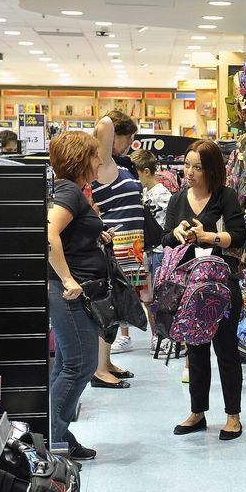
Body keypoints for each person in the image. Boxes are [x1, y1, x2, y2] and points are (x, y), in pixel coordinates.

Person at [162, 139, 246, 440]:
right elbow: (165, 240)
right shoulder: (177, 200)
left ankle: (233, 415)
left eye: (197, 167)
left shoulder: (226, 197)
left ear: (211, 170)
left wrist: (207, 236)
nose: (190, 172)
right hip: (189, 287)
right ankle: (197, 412)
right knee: (195, 350)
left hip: (221, 286)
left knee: (226, 350)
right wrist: (176, 232)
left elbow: (239, 236)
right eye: (187, 165)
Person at [46, 130, 109, 462]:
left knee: (70, 364)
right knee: (80, 363)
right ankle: (52, 437)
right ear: (82, 158)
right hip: (68, 292)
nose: (100, 159)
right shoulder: (69, 191)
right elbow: (49, 233)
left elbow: (68, 234)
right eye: (96, 154)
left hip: (69, 291)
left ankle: (58, 432)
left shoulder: (70, 190)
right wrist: (68, 278)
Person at [90, 112, 148, 382]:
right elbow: (104, 123)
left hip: (131, 247)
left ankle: (106, 362)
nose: (131, 143)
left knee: (118, 306)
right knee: (110, 305)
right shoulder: (102, 163)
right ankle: (99, 369)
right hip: (116, 246)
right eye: (129, 137)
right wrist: (116, 120)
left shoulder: (120, 165)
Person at [131, 149, 173, 354]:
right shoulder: (142, 193)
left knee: (161, 297)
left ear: (146, 171)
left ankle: (167, 337)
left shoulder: (163, 195)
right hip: (144, 253)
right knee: (148, 299)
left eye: (136, 173)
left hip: (159, 252)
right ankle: (156, 335)